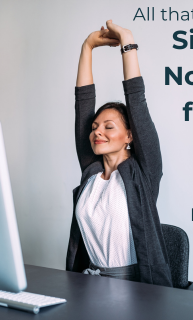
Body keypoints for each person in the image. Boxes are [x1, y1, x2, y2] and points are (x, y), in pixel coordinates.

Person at [66, 20, 173, 287]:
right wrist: (87, 47)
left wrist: (126, 39)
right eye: (94, 128)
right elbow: (83, 103)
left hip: (137, 289)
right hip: (89, 286)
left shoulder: (142, 173)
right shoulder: (91, 172)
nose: (97, 132)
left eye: (109, 127)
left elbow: (136, 100)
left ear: (129, 136)